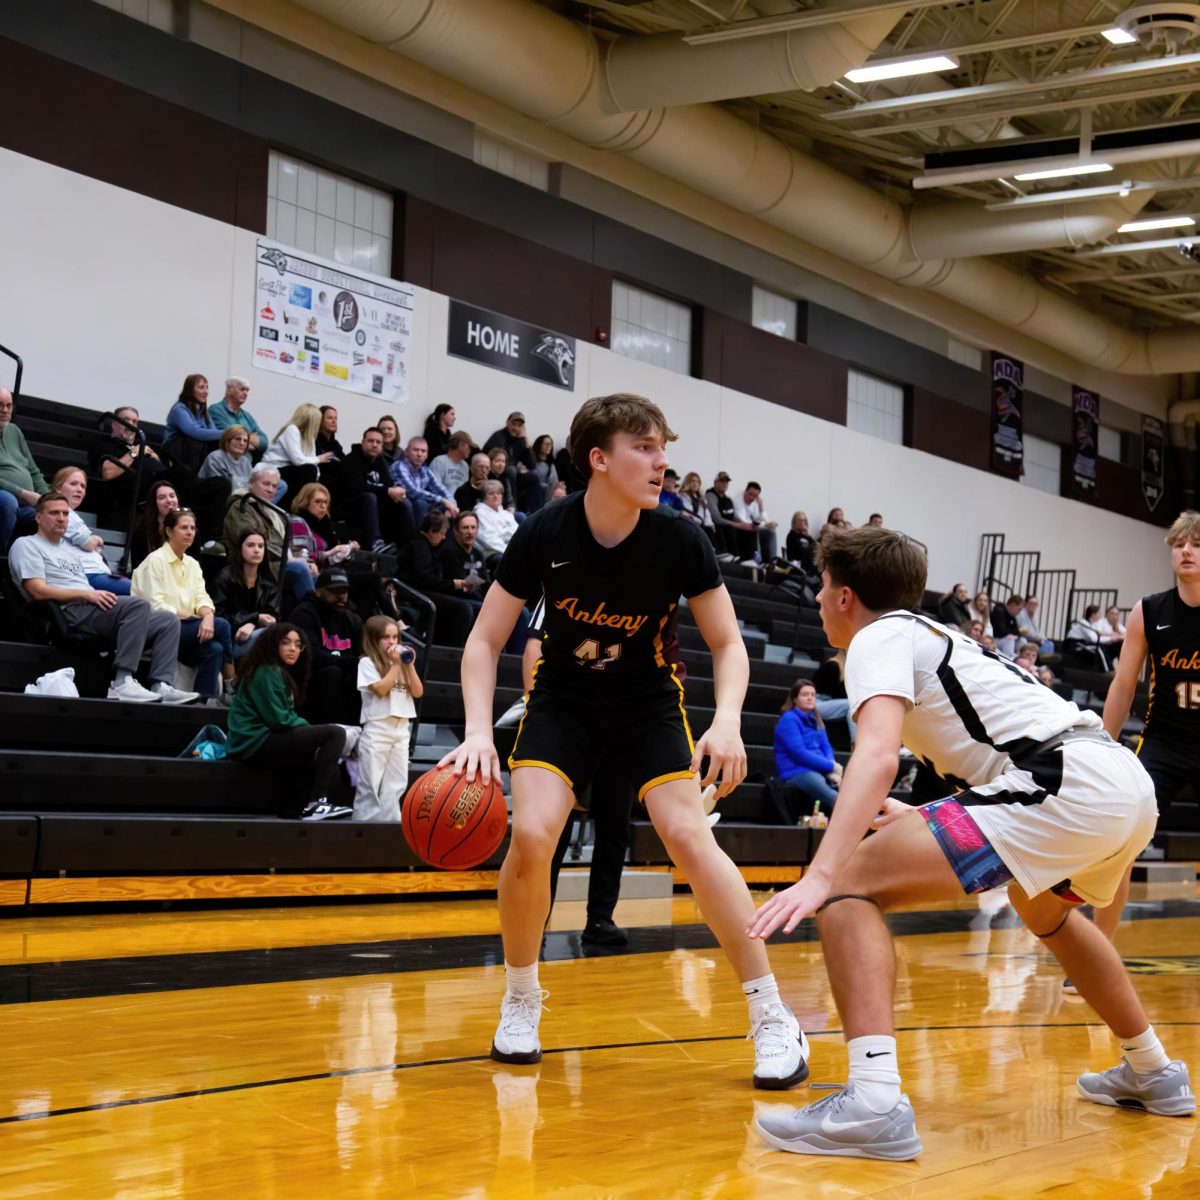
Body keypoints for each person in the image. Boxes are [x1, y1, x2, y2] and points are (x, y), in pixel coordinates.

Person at [749, 525, 1192, 1162]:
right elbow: (1001, 748)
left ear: (846, 596)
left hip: (1062, 785)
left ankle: (872, 1101)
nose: (818, 600)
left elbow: (874, 756)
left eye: (822, 587)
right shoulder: (942, 637)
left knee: (849, 887)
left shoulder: (879, 635)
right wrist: (925, 812)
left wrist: (820, 874)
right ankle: (1151, 1068)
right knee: (1049, 915)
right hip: (1117, 782)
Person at [441, 392, 807, 1088]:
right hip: (562, 702)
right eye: (643, 446)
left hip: (646, 704)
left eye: (663, 446)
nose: (661, 460)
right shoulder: (546, 532)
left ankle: (770, 1015)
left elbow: (729, 644)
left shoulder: (679, 540)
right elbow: (484, 641)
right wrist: (474, 734)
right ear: (599, 458)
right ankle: (521, 999)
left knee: (691, 838)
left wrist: (727, 719)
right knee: (533, 836)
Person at [1091, 512, 1200, 947]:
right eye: (1179, 544)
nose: (1187, 550)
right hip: (1163, 743)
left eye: (1195, 543)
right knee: (1120, 839)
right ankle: (1097, 953)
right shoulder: (1149, 611)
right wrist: (1099, 745)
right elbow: (1122, 688)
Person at [8, 492, 197, 704]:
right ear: (38, 517)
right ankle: (122, 682)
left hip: (90, 608)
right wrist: (87, 594)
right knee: (137, 606)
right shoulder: (26, 545)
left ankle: (162, 685)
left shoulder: (69, 551)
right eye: (54, 513)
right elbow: (37, 591)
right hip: (68, 611)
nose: (61, 518)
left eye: (64, 513)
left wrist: (90, 594)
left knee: (166, 620)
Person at [226, 622, 352, 821]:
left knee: (313, 760)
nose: (293, 648)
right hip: (253, 741)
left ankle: (293, 813)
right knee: (335, 734)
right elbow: (280, 719)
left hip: (260, 739)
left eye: (298, 644)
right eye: (286, 643)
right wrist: (310, 733)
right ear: (272, 645)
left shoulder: (278, 672)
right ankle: (316, 804)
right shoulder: (267, 671)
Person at [132, 507, 236, 705]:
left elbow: (202, 597)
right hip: (158, 631)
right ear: (169, 531)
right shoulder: (154, 561)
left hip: (186, 633)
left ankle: (202, 703)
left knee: (214, 649)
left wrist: (207, 617)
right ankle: (231, 683)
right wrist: (190, 617)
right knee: (222, 626)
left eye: (193, 528)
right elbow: (155, 606)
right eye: (184, 527)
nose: (190, 532)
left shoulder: (193, 564)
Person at [354, 614, 423, 821]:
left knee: (398, 780)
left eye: (395, 637)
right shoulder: (367, 663)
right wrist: (395, 666)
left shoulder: (401, 664)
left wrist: (409, 666)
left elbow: (418, 692)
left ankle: (390, 820)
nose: (392, 642)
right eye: (386, 637)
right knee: (370, 780)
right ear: (374, 640)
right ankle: (364, 822)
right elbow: (381, 690)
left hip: (401, 727)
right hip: (377, 726)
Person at [223, 465, 317, 606]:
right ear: (251, 483)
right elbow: (251, 542)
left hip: (277, 563)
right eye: (266, 484)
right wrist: (290, 559)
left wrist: (301, 560)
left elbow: (286, 543)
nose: (271, 490)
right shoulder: (241, 506)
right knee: (300, 570)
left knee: (315, 572)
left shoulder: (272, 511)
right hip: (258, 565)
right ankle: (311, 618)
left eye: (274, 486)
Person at [288, 566, 364, 724]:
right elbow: (310, 655)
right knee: (332, 673)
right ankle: (333, 730)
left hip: (343, 675)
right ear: (319, 591)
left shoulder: (353, 619)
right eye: (334, 591)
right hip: (309, 680)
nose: (341, 596)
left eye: (344, 591)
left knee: (363, 671)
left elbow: (362, 654)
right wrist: (349, 662)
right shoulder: (304, 613)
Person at [396, 511, 475, 647]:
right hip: (413, 590)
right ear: (432, 531)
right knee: (463, 609)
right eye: (442, 533)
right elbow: (425, 578)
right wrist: (451, 584)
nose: (444, 538)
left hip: (421, 588)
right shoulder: (420, 545)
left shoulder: (427, 546)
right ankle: (451, 650)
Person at [49, 466, 130, 595]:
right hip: (84, 576)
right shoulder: (61, 513)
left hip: (95, 573)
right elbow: (88, 544)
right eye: (73, 484)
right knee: (137, 589)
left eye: (83, 486)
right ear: (58, 488)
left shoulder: (73, 515)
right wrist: (95, 539)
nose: (79, 489)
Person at [773, 679, 840, 821]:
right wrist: (831, 766)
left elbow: (826, 747)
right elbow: (799, 753)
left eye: (813, 695)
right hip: (797, 771)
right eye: (805, 694)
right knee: (837, 799)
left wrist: (831, 766)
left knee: (851, 791)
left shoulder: (816, 718)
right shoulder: (788, 719)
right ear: (795, 699)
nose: (810, 697)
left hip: (817, 770)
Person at [340, 426, 412, 553]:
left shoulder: (380, 461)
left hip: (375, 506)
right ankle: (375, 543)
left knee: (403, 502)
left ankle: (408, 546)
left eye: (378, 442)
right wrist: (387, 491)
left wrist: (395, 491)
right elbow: (357, 487)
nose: (374, 445)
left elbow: (388, 484)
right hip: (352, 506)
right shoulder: (351, 459)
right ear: (363, 442)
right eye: (370, 441)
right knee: (369, 496)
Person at [210, 528, 279, 660]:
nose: (257, 550)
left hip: (256, 633)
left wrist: (252, 623)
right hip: (229, 638)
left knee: (276, 635)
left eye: (261, 546)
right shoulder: (224, 578)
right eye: (250, 545)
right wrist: (255, 618)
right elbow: (218, 615)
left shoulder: (268, 580)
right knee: (271, 638)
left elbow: (273, 616)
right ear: (240, 549)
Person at [0, 386, 47, 552]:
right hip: (7, 500)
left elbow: (33, 471)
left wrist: (48, 497)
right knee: (7, 501)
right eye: (0, 405)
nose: (5, 410)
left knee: (49, 515)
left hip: (24, 506)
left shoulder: (14, 431)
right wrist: (23, 493)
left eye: (9, 405)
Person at [262, 403, 332, 498]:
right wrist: (319, 459)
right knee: (309, 471)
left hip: (287, 469)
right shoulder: (292, 430)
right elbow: (298, 461)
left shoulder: (310, 438)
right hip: (272, 469)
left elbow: (312, 463)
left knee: (322, 479)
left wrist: (317, 479)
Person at [390, 436, 458, 524]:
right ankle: (418, 537)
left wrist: (452, 505)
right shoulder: (399, 466)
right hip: (398, 509)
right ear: (406, 452)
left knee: (448, 510)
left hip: (418, 509)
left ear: (426, 455)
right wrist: (443, 500)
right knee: (421, 503)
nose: (419, 454)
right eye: (416, 450)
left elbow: (440, 488)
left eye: (423, 451)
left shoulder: (425, 470)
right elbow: (412, 491)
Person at [162, 374, 221, 474]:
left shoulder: (203, 412)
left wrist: (230, 437)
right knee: (195, 441)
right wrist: (227, 433)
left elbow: (214, 432)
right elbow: (193, 431)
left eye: (207, 388)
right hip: (175, 449)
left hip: (193, 451)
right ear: (190, 390)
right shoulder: (179, 409)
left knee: (218, 444)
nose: (206, 392)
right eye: (202, 387)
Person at [485, 411, 541, 510]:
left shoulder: (520, 439)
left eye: (519, 426)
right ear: (507, 422)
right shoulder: (499, 436)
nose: (515, 428)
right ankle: (513, 508)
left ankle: (531, 513)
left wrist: (526, 442)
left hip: (515, 476)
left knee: (534, 476)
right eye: (513, 424)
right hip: (497, 475)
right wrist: (518, 468)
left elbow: (532, 465)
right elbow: (498, 461)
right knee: (511, 470)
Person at [132, 480, 185, 569]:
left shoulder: (189, 530)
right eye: (162, 497)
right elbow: (138, 568)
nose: (169, 500)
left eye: (172, 496)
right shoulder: (142, 532)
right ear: (154, 503)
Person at [208, 377, 267, 454]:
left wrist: (243, 438)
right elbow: (229, 436)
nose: (246, 393)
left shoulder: (247, 416)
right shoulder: (216, 410)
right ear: (230, 390)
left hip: (247, 464)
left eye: (247, 390)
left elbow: (264, 442)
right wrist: (252, 439)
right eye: (242, 389)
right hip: (225, 462)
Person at [705, 471, 755, 561]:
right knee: (728, 527)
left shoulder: (728, 499)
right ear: (715, 482)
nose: (724, 484)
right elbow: (716, 519)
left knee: (750, 531)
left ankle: (749, 559)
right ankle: (730, 558)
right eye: (722, 481)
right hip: (718, 528)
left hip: (729, 527)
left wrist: (746, 525)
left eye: (726, 482)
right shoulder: (710, 496)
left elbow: (733, 516)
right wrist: (736, 524)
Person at [199, 424, 255, 493]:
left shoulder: (246, 462)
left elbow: (250, 487)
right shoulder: (215, 457)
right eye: (238, 439)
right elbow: (219, 488)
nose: (242, 443)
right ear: (227, 440)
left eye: (245, 441)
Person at [732, 481, 778, 563]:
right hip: (740, 529)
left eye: (755, 496)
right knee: (754, 530)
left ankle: (772, 562)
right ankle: (758, 561)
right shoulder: (737, 501)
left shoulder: (755, 501)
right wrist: (766, 524)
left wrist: (761, 507)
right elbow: (745, 522)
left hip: (750, 527)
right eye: (750, 494)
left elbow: (759, 518)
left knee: (771, 532)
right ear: (745, 491)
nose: (751, 498)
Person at [474, 480, 520, 558]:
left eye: (498, 493)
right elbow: (489, 540)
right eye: (491, 493)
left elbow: (517, 533)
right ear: (484, 497)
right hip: (491, 552)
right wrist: (511, 550)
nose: (496, 496)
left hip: (510, 548)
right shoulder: (479, 513)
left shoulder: (505, 513)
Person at [429, 430, 474, 496]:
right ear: (461, 445)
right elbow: (435, 489)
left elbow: (465, 491)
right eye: (469, 447)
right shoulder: (439, 461)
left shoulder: (465, 466)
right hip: (443, 503)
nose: (470, 450)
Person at [677, 471, 715, 543]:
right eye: (692, 481)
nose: (695, 483)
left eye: (697, 482)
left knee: (711, 529)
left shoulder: (702, 498)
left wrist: (710, 524)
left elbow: (707, 513)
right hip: (690, 524)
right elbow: (687, 512)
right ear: (687, 482)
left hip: (701, 524)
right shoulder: (682, 496)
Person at [528, 436, 559, 512]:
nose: (548, 446)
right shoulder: (531, 462)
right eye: (545, 444)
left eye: (550, 444)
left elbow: (555, 483)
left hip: (548, 497)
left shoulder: (552, 465)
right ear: (539, 445)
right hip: (533, 496)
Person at [991, 594, 1024, 659]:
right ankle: (1009, 659)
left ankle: (1020, 659)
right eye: (1019, 609)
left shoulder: (1012, 617)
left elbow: (1017, 632)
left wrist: (1013, 633)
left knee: (1022, 640)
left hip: (1003, 640)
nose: (1019, 612)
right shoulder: (999, 611)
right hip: (995, 639)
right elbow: (1000, 631)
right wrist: (1011, 633)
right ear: (1013, 605)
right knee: (1010, 639)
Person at [785, 512, 817, 577]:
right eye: (800, 520)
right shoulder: (792, 536)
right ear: (794, 523)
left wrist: (807, 536)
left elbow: (816, 547)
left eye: (804, 520)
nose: (802, 522)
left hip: (810, 565)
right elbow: (802, 551)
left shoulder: (807, 537)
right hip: (798, 566)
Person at [487, 447, 518, 513]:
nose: (500, 464)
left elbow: (510, 501)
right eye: (497, 461)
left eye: (503, 461)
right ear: (490, 462)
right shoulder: (486, 480)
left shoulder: (505, 479)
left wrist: (511, 510)